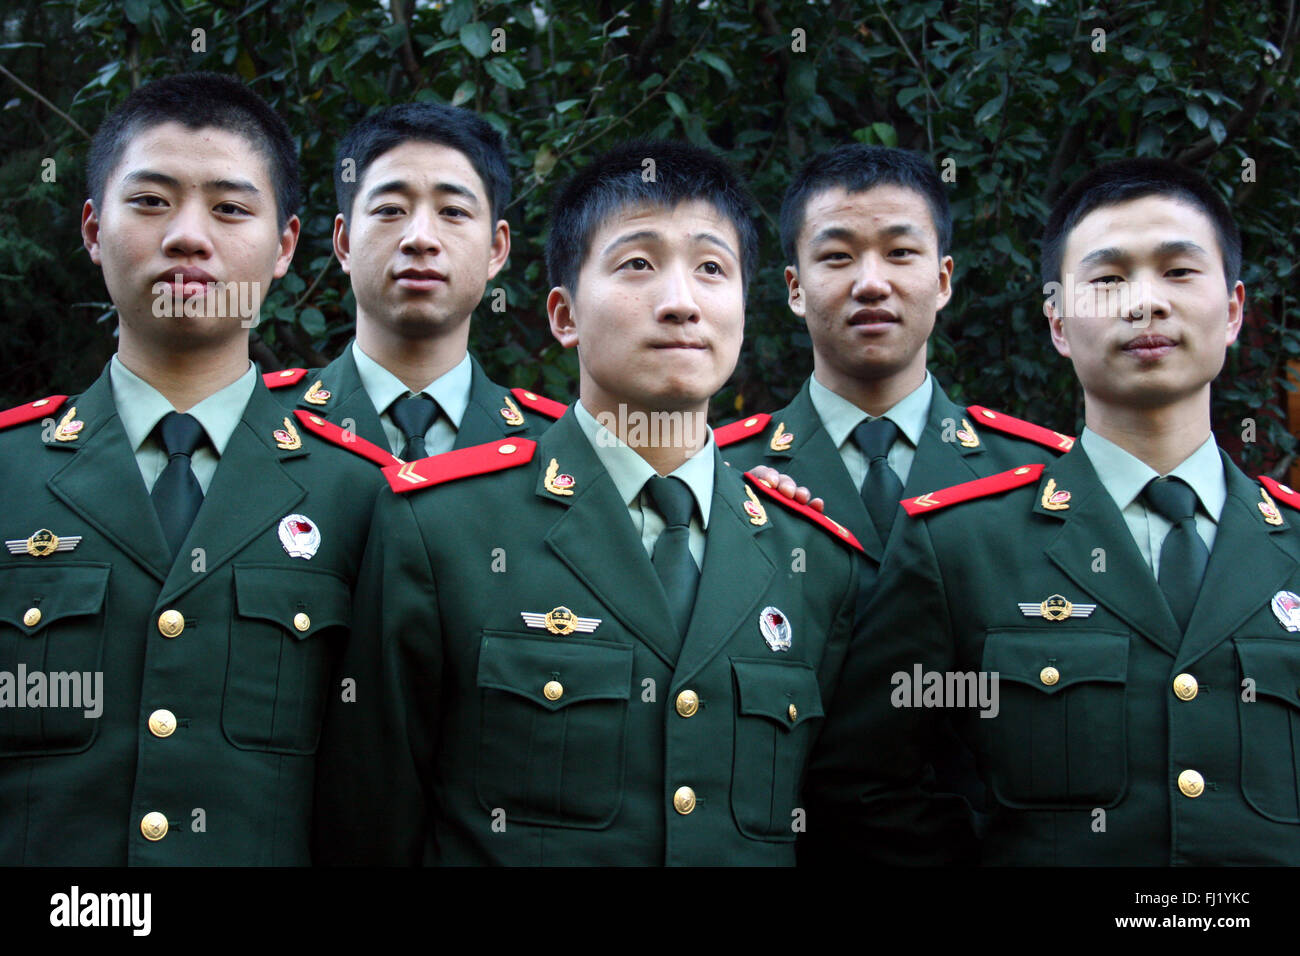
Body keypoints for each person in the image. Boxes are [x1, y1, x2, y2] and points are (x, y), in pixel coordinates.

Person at [313, 140, 970, 865]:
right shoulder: (443, 528)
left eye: (712, 269)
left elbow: (845, 824)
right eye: (637, 264)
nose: (681, 303)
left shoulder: (814, 558)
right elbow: (369, 823)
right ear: (564, 314)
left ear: (746, 311)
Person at [858, 157, 1300, 864]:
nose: (1144, 302)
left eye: (1179, 271)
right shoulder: (962, 545)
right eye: (1108, 278)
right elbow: (877, 792)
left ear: (1235, 310)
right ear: (1059, 323)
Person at [0, 72, 394, 864]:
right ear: (91, 228)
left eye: (230, 208)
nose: (187, 235)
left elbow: (377, 796)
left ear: (284, 247)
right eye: (149, 201)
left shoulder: (363, 495)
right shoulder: (9, 474)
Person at [722, 144, 1072, 563]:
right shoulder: (722, 474)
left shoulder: (1045, 473)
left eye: (900, 253)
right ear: (795, 289)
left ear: (943, 281)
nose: (871, 284)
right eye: (837, 256)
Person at [274, 103, 562, 459]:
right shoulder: (260, 427)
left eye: (453, 212)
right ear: (344, 243)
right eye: (390, 210)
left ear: (496, 249)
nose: (420, 238)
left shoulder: (557, 449)